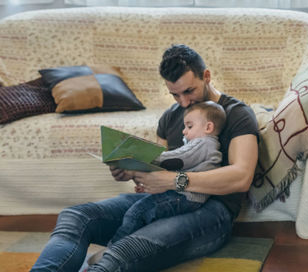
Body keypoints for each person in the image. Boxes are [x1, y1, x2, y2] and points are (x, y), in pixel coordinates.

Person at [31, 44, 259, 271]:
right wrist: (131, 171)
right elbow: (159, 169)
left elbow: (241, 177)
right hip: (166, 202)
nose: (183, 102)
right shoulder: (171, 116)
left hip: (213, 213)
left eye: (189, 91)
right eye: (175, 94)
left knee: (123, 251)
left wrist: (174, 180)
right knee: (75, 217)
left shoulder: (236, 114)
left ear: (206, 76)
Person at [108, 101, 227, 246]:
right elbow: (175, 173)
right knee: (145, 212)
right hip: (186, 195)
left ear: (208, 127)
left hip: (185, 196)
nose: (184, 131)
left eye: (189, 126)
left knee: (137, 212)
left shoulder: (204, 143)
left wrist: (141, 154)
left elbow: (177, 158)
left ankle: (114, 247)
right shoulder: (206, 146)